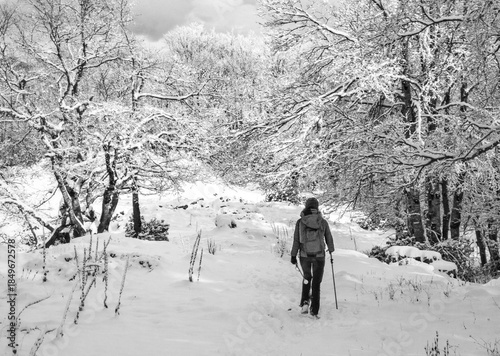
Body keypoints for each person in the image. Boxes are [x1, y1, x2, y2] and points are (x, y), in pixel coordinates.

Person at [290, 197, 334, 317]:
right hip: (319, 256)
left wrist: (293, 255)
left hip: (304, 255)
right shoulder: (322, 222)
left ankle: (305, 302)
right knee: (316, 282)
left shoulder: (300, 222)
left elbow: (296, 240)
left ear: (306, 206)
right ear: (317, 207)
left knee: (307, 278)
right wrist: (331, 250)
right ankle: (314, 309)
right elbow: (329, 237)